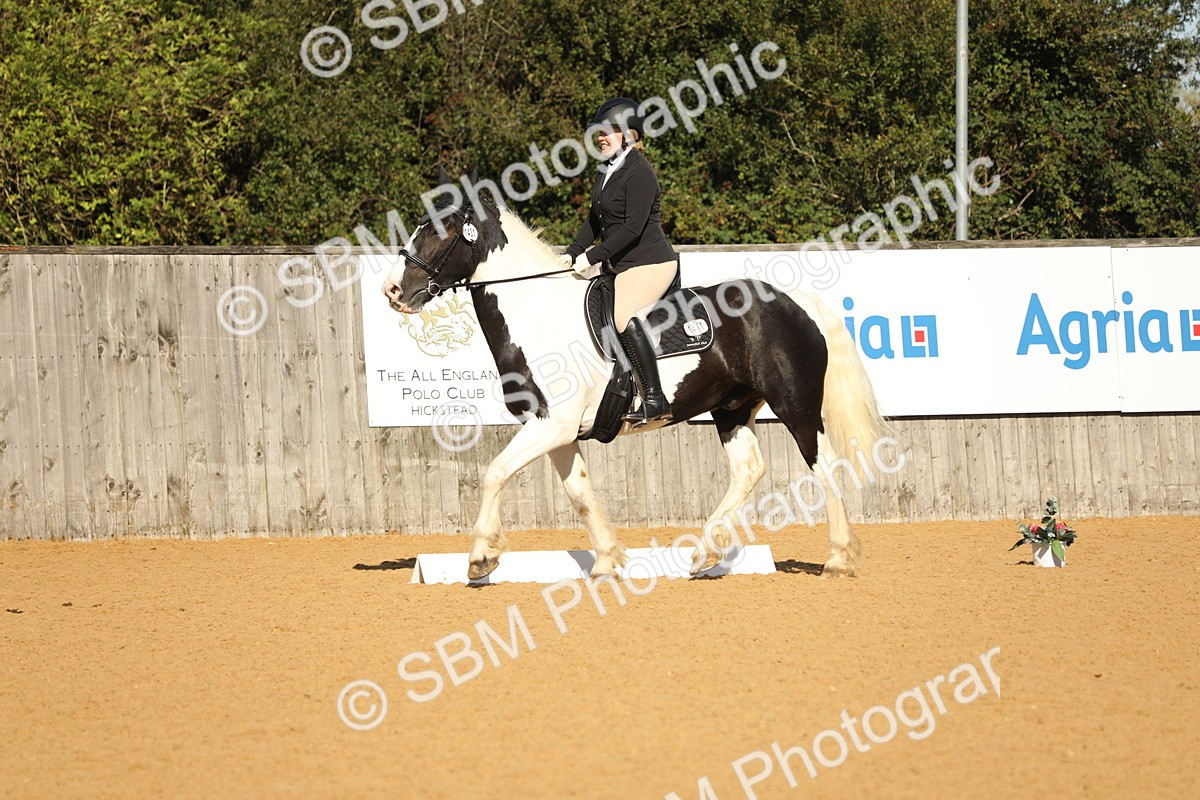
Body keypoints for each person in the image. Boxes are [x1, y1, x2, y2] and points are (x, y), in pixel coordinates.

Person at [561, 97, 679, 426]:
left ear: (628, 134)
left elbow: (632, 227)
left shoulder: (639, 172)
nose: (600, 137)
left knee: (624, 316)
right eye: (598, 132)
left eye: (608, 131)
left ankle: (655, 399)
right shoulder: (607, 171)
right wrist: (571, 252)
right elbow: (594, 222)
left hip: (650, 262)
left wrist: (592, 256)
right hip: (623, 265)